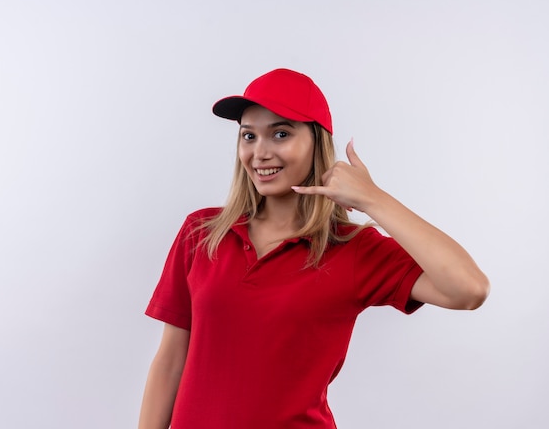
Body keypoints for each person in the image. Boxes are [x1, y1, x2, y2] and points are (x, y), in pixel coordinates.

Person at [138, 68, 489, 429]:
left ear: (316, 144)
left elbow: (469, 289)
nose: (260, 152)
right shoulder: (202, 233)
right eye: (248, 136)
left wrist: (374, 200)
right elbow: (170, 361)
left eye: (280, 133)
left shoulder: (353, 250)